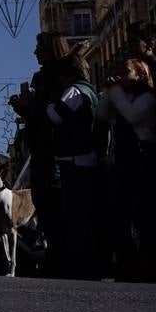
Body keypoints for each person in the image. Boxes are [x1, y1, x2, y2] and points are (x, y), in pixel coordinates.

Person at [10, 31, 70, 275]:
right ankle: (53, 254)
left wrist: (31, 107)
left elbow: (53, 113)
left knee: (56, 202)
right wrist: (25, 109)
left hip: (55, 150)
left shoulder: (61, 78)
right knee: (44, 202)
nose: (35, 54)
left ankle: (60, 256)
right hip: (40, 148)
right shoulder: (43, 77)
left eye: (40, 49)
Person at [97, 57, 156, 282]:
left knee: (145, 213)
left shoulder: (147, 98)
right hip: (123, 158)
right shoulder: (121, 96)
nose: (121, 76)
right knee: (120, 213)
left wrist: (114, 91)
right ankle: (128, 261)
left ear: (140, 74)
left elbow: (132, 115)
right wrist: (108, 92)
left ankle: (150, 262)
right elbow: (102, 114)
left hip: (142, 157)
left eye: (126, 72)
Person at [46, 52, 100, 279]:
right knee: (83, 213)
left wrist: (47, 105)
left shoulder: (74, 91)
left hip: (75, 157)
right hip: (86, 156)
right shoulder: (90, 90)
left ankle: (80, 263)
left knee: (76, 213)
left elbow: (57, 116)